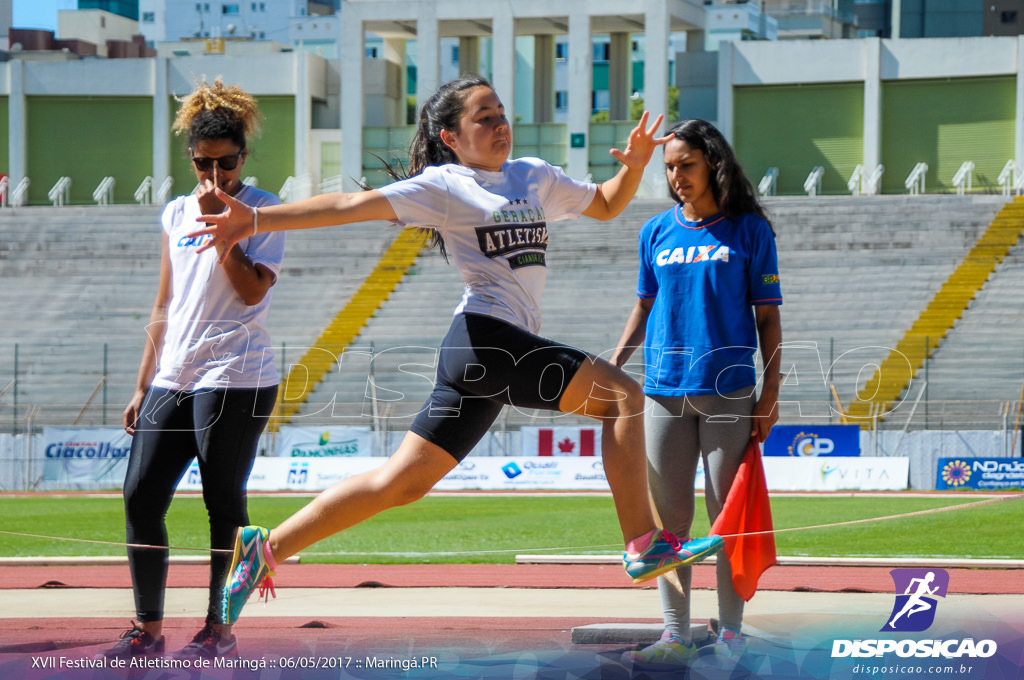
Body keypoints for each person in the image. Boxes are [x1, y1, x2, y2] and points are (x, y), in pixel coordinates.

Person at [187, 75, 724, 626]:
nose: (499, 126)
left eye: (501, 113)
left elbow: (608, 205)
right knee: (623, 396)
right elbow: (350, 204)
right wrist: (253, 219)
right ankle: (643, 544)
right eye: (483, 118)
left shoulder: (533, 176)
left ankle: (263, 549)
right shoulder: (445, 184)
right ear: (450, 135)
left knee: (400, 484)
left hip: (479, 355)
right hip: (485, 341)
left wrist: (634, 165)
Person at [97, 79, 286, 662]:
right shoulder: (175, 210)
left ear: (243, 158)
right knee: (140, 494)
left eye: (226, 163)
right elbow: (165, 301)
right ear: (192, 159)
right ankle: (147, 631)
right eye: (204, 165)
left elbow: (253, 293)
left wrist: (225, 229)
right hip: (174, 370)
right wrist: (142, 379)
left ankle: (218, 630)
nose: (215, 176)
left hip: (238, 369)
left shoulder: (266, 208)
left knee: (221, 500)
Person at [611, 119, 782, 667]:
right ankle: (675, 634)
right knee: (669, 529)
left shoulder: (750, 230)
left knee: (724, 520)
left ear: (713, 162)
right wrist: (613, 364)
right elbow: (644, 306)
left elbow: (769, 320)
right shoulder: (655, 232)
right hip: (663, 393)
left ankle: (730, 634)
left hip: (729, 392)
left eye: (686, 164)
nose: (676, 176)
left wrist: (770, 392)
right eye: (669, 168)